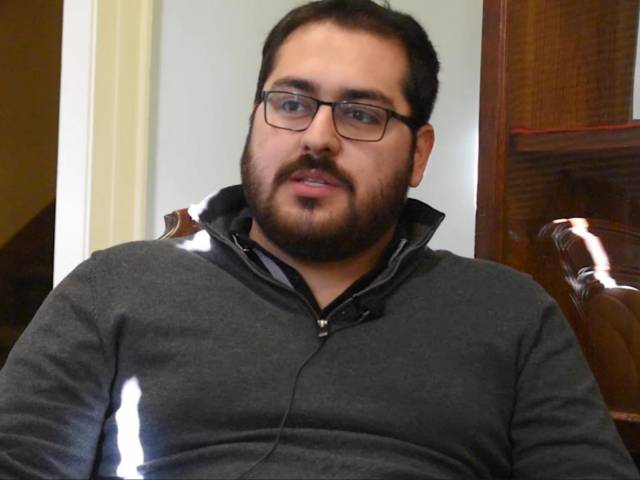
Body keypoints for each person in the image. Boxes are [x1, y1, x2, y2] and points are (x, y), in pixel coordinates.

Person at [0, 0, 637, 478]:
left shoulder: (511, 314)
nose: (318, 138)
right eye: (292, 103)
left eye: (362, 114)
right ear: (255, 122)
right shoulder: (115, 288)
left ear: (419, 154)